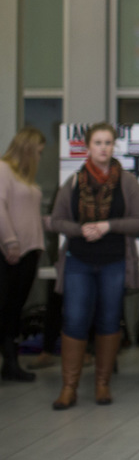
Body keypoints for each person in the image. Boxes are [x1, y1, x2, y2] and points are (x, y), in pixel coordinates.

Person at [50, 123, 139, 409]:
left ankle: (103, 384)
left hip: (114, 261)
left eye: (108, 143)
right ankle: (69, 387)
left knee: (108, 319)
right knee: (75, 320)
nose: (103, 148)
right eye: (98, 143)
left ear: (114, 146)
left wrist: (107, 226)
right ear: (88, 147)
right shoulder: (73, 181)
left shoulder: (126, 182)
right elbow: (56, 221)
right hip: (78, 260)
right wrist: (83, 230)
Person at [0, 127, 48, 382]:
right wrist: (9, 242)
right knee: (4, 306)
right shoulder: (3, 169)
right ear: (28, 149)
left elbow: (27, 213)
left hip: (30, 251)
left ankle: (10, 363)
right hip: (11, 252)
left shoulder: (25, 178)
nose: (39, 158)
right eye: (38, 152)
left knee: (14, 309)